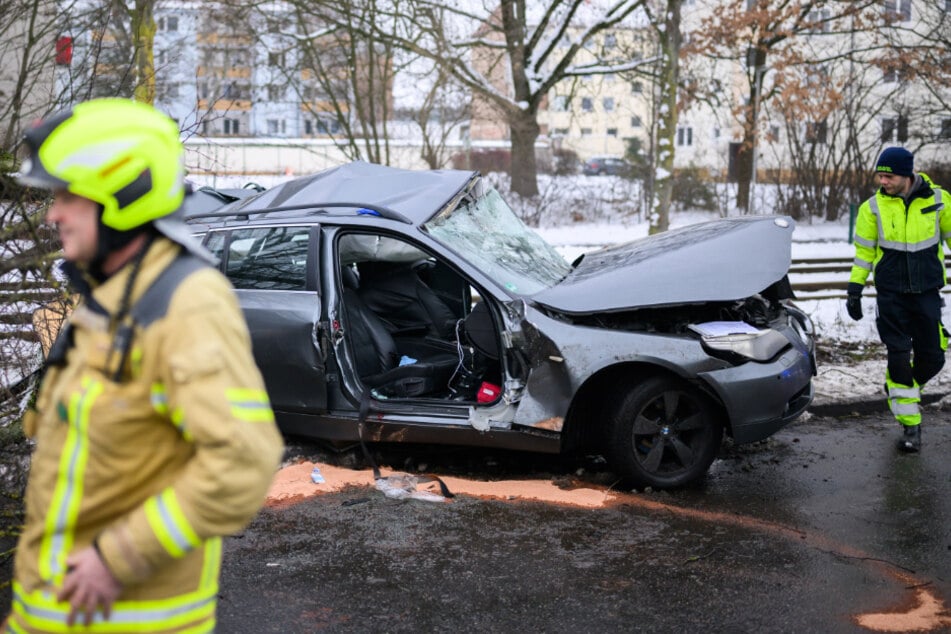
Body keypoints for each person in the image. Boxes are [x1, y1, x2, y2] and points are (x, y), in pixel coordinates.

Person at [4, 99, 284, 632]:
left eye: (67, 195)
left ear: (124, 195)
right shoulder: (108, 298)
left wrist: (118, 559)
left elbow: (243, 462)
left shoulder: (187, 302)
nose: (52, 214)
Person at [846, 146, 950, 453]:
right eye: (880, 175)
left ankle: (898, 388)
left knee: (933, 358)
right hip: (891, 296)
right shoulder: (872, 208)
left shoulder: (940, 201)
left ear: (906, 175)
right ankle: (911, 426)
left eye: (888, 176)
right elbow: (864, 252)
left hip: (927, 293)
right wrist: (855, 288)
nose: (883, 181)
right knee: (899, 358)